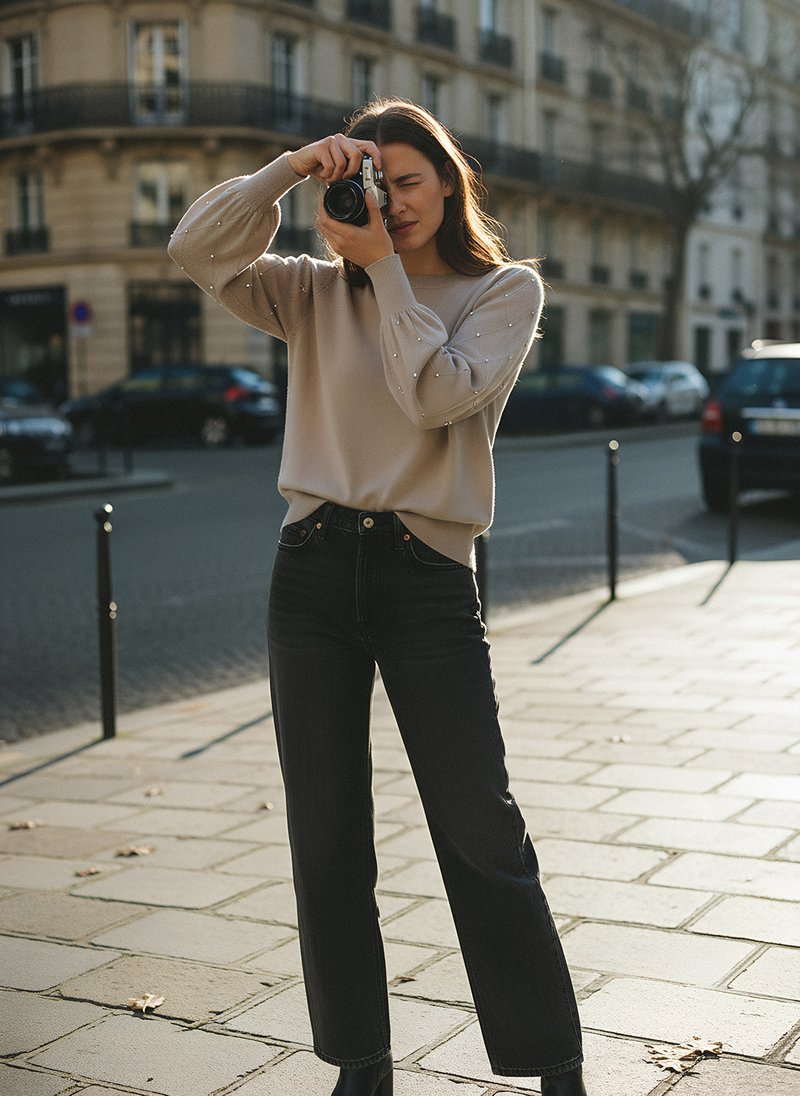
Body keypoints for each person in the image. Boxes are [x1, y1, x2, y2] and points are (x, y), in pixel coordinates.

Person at [169, 99, 586, 1096]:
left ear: (447, 183)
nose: (389, 202)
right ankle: (361, 1060)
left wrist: (386, 271)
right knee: (325, 829)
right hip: (309, 569)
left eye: (407, 182)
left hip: (425, 578)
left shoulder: (502, 290)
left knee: (480, 825)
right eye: (371, 182)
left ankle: (549, 1059)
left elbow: (434, 395)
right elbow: (194, 248)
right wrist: (286, 169)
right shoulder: (310, 291)